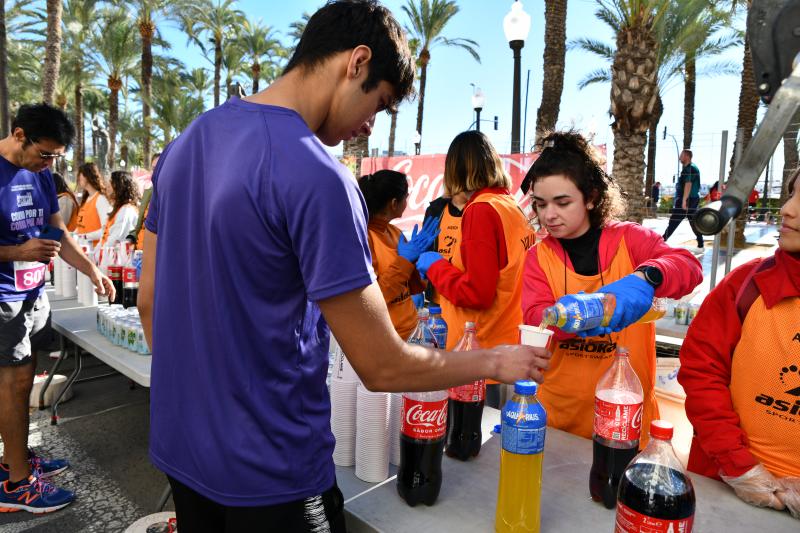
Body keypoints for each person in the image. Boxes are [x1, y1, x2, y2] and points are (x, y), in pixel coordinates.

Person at [136, 2, 550, 531]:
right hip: (271, 473)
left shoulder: (184, 145)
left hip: (181, 449)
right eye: (378, 102)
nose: (369, 124)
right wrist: (495, 363)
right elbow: (382, 365)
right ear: (356, 62)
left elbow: (149, 302)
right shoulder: (315, 173)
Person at [521, 131, 703, 440]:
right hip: (559, 417)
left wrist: (646, 278)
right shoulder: (537, 258)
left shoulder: (631, 241)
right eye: (540, 204)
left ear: (591, 197)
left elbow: (689, 267)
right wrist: (578, 315)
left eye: (562, 202)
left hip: (626, 416)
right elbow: (535, 318)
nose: (548, 215)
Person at [0, 103, 114, 513]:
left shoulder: (44, 175)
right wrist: (19, 250)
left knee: (25, 379)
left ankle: (14, 459)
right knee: (11, 386)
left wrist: (92, 270)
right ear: (18, 135)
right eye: (44, 153)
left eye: (55, 157)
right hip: (3, 298)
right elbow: (31, 244)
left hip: (33, 293)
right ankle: (16, 485)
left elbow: (58, 233)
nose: (48, 164)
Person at [677, 167, 800, 519]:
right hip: (724, 487)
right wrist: (738, 466)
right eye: (791, 194)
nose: (788, 209)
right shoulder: (746, 284)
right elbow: (701, 371)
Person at [414, 130, 536, 408]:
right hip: (504, 347)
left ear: (455, 170)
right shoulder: (510, 206)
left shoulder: (480, 210)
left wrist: (434, 265)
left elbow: (476, 294)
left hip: (478, 354)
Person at [357, 169, 435, 339]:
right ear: (393, 203)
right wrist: (404, 261)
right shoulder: (364, 239)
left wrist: (419, 263)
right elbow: (375, 299)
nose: (407, 202)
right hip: (386, 340)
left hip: (412, 333)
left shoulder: (395, 233)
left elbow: (414, 288)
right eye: (406, 197)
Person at [420, 190, 468, 305]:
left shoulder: (481, 209)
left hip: (465, 300)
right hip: (437, 301)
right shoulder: (436, 209)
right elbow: (424, 249)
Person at [663, 149, 704, 248]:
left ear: (687, 156)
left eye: (681, 155)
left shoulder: (689, 169)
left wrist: (684, 201)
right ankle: (700, 243)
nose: (679, 157)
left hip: (687, 199)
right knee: (693, 222)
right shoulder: (692, 168)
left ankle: (661, 241)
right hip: (692, 199)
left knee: (674, 220)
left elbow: (688, 184)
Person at [126, 152, 160, 250]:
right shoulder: (148, 192)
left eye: (159, 167)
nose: (156, 172)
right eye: (153, 169)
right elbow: (139, 223)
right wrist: (130, 238)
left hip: (154, 251)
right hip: (139, 250)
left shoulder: (170, 195)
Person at [98, 170, 140, 248]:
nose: (107, 187)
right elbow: (104, 237)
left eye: (110, 183)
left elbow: (115, 239)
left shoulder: (126, 211)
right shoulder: (119, 209)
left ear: (119, 186)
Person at [75, 162, 111, 247]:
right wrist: (72, 234)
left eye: (80, 175)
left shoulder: (100, 200)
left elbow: (105, 230)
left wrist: (84, 236)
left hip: (94, 251)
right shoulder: (87, 199)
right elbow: (81, 226)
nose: (79, 179)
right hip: (83, 248)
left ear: (87, 176)